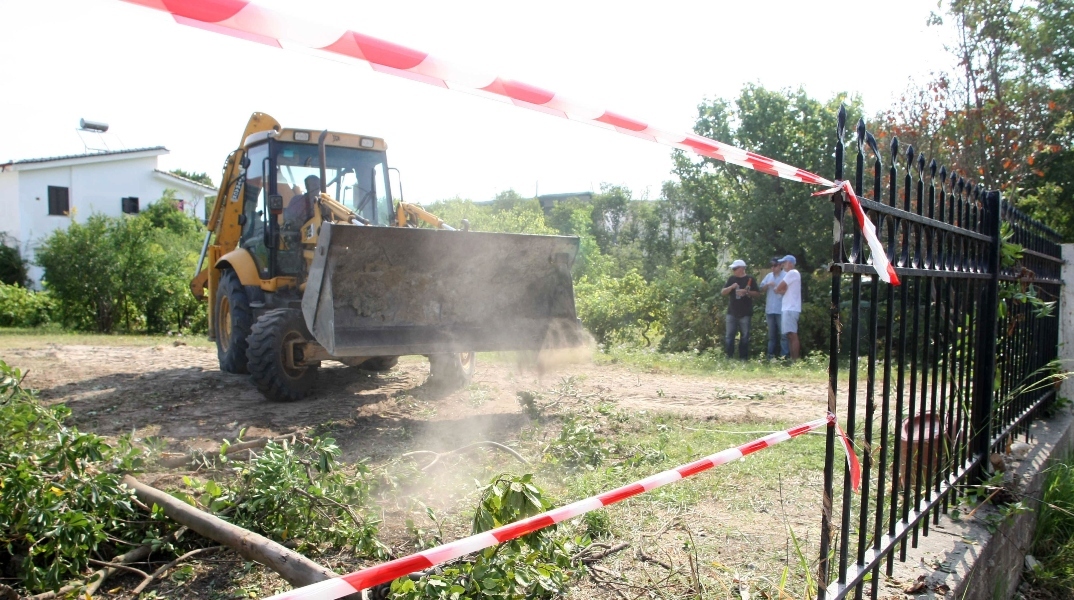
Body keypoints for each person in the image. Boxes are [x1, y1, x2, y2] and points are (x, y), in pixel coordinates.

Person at [720, 259, 760, 360]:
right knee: (729, 336)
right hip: (732, 312)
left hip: (745, 312)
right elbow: (723, 292)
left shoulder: (750, 279)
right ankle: (729, 357)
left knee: (745, 337)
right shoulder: (731, 279)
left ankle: (743, 359)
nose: (733, 270)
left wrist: (746, 292)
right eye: (733, 269)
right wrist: (731, 287)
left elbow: (758, 294)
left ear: (742, 268)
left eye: (735, 268)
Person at [774, 254, 802, 360]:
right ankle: (792, 359)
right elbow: (783, 289)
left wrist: (777, 289)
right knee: (789, 335)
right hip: (789, 308)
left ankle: (795, 360)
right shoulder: (792, 274)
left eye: (784, 263)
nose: (782, 265)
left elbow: (780, 287)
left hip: (791, 308)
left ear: (790, 263)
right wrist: (779, 290)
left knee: (792, 335)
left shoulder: (792, 273)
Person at [759, 257, 787, 359]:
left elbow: (790, 291)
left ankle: (784, 357)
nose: (773, 268)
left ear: (780, 266)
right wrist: (767, 284)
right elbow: (760, 289)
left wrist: (778, 289)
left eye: (775, 265)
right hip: (770, 309)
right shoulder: (768, 276)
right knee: (771, 335)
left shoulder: (786, 276)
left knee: (783, 334)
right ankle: (770, 356)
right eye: (771, 266)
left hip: (781, 309)